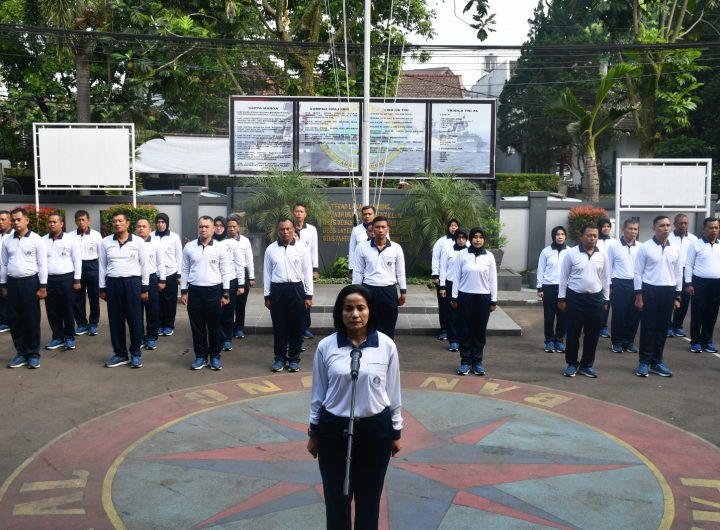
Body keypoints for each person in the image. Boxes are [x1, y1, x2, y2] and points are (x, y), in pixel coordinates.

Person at [307, 284, 402, 530]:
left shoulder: (386, 346)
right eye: (348, 309)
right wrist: (314, 432)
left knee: (369, 501)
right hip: (333, 430)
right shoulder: (326, 346)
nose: (355, 314)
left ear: (370, 311)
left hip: (375, 431)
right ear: (340, 313)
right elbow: (318, 394)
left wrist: (396, 432)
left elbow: (393, 392)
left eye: (361, 308)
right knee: (336, 500)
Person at [558, 224, 610, 378]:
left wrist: (606, 299)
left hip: (595, 298)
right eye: (589, 235)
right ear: (582, 236)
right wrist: (561, 298)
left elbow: (606, 278)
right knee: (573, 333)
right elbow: (563, 277)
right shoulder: (571, 253)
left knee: (592, 334)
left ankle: (586, 365)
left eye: (595, 236)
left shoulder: (603, 254)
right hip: (575, 298)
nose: (592, 238)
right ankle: (572, 364)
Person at [181, 216, 232, 371]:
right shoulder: (189, 247)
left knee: (215, 325)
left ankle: (215, 356)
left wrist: (226, 293)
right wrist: (183, 291)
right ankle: (200, 356)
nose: (203, 229)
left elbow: (225, 271)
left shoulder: (220, 248)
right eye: (201, 226)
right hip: (195, 291)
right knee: (197, 326)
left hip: (214, 291)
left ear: (213, 229)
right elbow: (185, 269)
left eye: (206, 226)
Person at [633, 215, 682, 377]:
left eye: (668, 225)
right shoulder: (645, 247)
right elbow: (638, 273)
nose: (665, 228)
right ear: (654, 228)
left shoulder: (675, 248)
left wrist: (677, 296)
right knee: (648, 327)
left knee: (662, 328)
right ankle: (644, 362)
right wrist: (639, 296)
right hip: (650, 290)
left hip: (668, 291)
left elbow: (678, 273)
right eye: (661, 225)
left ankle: (657, 361)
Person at [100, 211, 150, 369]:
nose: (117, 224)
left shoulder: (138, 242)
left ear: (127, 223)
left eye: (120, 221)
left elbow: (145, 265)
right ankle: (120, 354)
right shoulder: (106, 242)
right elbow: (102, 266)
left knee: (135, 319)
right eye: (114, 221)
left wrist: (144, 287)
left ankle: (135, 353)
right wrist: (102, 287)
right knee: (115, 320)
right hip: (113, 284)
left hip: (132, 283)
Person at [264, 218, 313, 372]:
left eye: (288, 229)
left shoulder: (301, 249)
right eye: (282, 229)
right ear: (278, 231)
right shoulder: (270, 249)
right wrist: (267, 296)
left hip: (296, 289)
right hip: (277, 290)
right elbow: (267, 273)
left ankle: (294, 359)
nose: (285, 232)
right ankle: (279, 358)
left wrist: (309, 295)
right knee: (279, 326)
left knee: (296, 326)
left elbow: (307, 272)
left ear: (293, 230)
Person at [2, 208, 48, 368]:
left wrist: (43, 286)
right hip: (12, 283)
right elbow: (3, 264)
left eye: (18, 219)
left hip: (30, 283)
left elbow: (42, 264)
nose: (15, 222)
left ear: (27, 220)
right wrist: (3, 284)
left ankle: (33, 353)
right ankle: (21, 353)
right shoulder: (7, 240)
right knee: (15, 319)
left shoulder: (36, 239)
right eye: (13, 220)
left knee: (31, 319)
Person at [451, 227, 497, 376]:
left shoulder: (489, 256)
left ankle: (477, 362)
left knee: (479, 331)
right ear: (470, 239)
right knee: (464, 330)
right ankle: (465, 362)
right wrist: (454, 297)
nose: (478, 239)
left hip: (483, 298)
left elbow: (493, 279)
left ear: (484, 239)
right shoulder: (462, 255)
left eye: (480, 237)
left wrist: (493, 300)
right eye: (475, 237)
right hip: (465, 297)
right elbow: (456, 277)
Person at [352, 216, 406, 339]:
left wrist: (403, 292)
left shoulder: (396, 248)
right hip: (369, 289)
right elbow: (358, 272)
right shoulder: (362, 247)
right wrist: (355, 292)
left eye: (383, 227)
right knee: (368, 323)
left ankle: (387, 349)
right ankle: (368, 348)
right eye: (377, 227)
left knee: (389, 324)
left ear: (388, 229)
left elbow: (401, 272)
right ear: (372, 229)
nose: (380, 230)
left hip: (389, 291)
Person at [43, 212, 82, 352]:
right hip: (49, 280)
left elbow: (77, 260)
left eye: (55, 222)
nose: (52, 224)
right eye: (50, 222)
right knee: (52, 310)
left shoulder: (70, 240)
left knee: (67, 309)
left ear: (61, 224)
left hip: (66, 279)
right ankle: (57, 336)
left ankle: (70, 336)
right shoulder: (43, 240)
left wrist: (77, 279)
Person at [684, 217, 720, 354]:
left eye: (716, 227)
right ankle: (695, 342)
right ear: (704, 229)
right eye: (711, 228)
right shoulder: (695, 245)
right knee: (698, 314)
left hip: (716, 284)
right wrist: (688, 283)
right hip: (700, 283)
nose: (714, 230)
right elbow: (689, 265)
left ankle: (707, 341)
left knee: (712, 314)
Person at [607, 218, 642, 354]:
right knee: (619, 314)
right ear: (623, 229)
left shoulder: (641, 247)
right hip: (619, 283)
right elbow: (609, 267)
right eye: (630, 228)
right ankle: (617, 342)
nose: (633, 231)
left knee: (635, 314)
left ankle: (629, 341)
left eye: (635, 229)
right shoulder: (614, 246)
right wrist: (609, 286)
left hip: (636, 284)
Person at [536, 226, 569, 353]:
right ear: (553, 236)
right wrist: (540, 287)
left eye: (562, 234)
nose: (560, 236)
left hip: (564, 288)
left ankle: (559, 341)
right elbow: (541, 269)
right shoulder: (546, 252)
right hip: (548, 287)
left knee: (563, 316)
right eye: (557, 234)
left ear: (565, 236)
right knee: (549, 316)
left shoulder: (570, 252)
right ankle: (549, 341)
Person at [215, 216, 245, 351]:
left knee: (228, 312)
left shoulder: (233, 243)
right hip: (215, 282)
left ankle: (227, 338)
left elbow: (240, 265)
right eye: (216, 225)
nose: (218, 228)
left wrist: (241, 284)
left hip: (231, 281)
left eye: (221, 225)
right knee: (216, 311)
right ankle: (216, 338)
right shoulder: (209, 242)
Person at [70, 210, 102, 336]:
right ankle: (81, 324)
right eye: (79, 220)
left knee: (94, 298)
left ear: (88, 221)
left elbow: (101, 255)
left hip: (92, 266)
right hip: (76, 268)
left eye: (83, 220)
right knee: (77, 298)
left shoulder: (96, 235)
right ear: (75, 221)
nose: (81, 222)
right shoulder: (70, 236)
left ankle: (93, 324)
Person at [135, 218, 166, 351]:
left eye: (144, 226)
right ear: (136, 229)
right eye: (139, 226)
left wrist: (162, 280)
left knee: (152, 310)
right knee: (136, 310)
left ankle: (152, 337)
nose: (141, 228)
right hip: (135, 279)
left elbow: (161, 262)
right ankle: (139, 337)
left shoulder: (156, 244)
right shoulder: (133, 243)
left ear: (150, 229)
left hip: (152, 278)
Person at [438, 227, 469, 352]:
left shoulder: (469, 251)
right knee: (452, 314)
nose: (461, 240)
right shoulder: (448, 250)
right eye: (459, 237)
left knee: (464, 314)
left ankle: (463, 340)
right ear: (455, 238)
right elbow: (443, 268)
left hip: (465, 286)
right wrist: (442, 286)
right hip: (450, 284)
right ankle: (453, 341)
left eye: (463, 238)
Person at [153, 213, 183, 337]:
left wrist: (179, 274)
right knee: (157, 301)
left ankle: (169, 325)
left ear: (167, 223)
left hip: (171, 273)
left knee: (170, 301)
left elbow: (179, 257)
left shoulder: (174, 237)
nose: (160, 224)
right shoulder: (151, 236)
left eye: (163, 222)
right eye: (158, 222)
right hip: (156, 274)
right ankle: (159, 325)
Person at [668, 213, 697, 337]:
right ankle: (667, 325)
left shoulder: (693, 239)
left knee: (684, 300)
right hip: (671, 270)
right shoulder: (669, 237)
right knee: (670, 298)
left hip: (687, 271)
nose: (683, 225)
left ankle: (678, 325)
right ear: (675, 224)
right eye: (680, 223)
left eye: (686, 223)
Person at [293, 203, 319, 339]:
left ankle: (305, 327)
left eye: (301, 211)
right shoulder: (289, 228)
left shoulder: (311, 230)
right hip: (292, 269)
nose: (299, 214)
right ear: (293, 213)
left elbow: (314, 249)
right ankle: (294, 327)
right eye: (297, 211)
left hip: (306, 269)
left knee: (306, 298)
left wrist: (315, 269)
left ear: (305, 214)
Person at [431, 218, 460, 341]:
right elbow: (436, 258)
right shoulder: (441, 241)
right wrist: (435, 275)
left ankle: (457, 331)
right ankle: (444, 329)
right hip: (444, 279)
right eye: (451, 225)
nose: (453, 227)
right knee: (444, 306)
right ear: (448, 227)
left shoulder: (466, 243)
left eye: (456, 225)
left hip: (460, 281)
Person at [227, 214, 255, 339]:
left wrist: (251, 277)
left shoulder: (245, 241)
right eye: (229, 226)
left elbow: (249, 260)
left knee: (240, 303)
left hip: (242, 273)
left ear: (238, 227)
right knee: (228, 304)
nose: (231, 229)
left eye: (234, 226)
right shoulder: (223, 241)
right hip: (228, 274)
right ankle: (228, 328)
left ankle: (239, 328)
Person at [596, 217, 615, 338]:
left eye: (608, 226)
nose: (606, 228)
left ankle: (603, 326)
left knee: (606, 302)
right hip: (596, 275)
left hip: (610, 277)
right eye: (604, 226)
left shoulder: (614, 242)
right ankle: (594, 325)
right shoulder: (595, 240)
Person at [348, 205, 377, 277]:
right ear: (362, 216)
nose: (367, 216)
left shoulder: (381, 229)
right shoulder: (356, 230)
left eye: (369, 214)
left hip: (377, 268)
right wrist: (351, 269)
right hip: (360, 268)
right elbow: (352, 250)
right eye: (365, 214)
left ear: (374, 215)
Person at [0, 210, 14, 333]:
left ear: (10, 221)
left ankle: (9, 322)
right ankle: (3, 321)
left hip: (9, 272)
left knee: (8, 297)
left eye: (3, 219)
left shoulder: (13, 235)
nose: (0, 222)